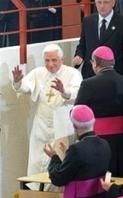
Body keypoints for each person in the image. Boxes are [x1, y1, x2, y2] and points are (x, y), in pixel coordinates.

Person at [12, 44, 82, 186]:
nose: (50, 64)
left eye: (54, 60)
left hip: (62, 127)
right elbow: (26, 87)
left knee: (60, 163)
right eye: (47, 60)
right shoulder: (38, 73)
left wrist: (64, 91)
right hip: (41, 127)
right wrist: (18, 81)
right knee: (37, 163)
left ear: (61, 59)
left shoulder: (72, 74)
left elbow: (77, 93)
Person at [75, 46, 123, 177]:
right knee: (119, 179)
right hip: (122, 142)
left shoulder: (88, 84)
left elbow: (78, 113)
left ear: (95, 63)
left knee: (99, 181)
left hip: (97, 141)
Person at [44, 105, 111, 198]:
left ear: (74, 126)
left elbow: (58, 178)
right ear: (94, 121)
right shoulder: (104, 144)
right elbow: (86, 163)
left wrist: (54, 157)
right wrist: (69, 154)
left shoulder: (76, 149)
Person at [73, 0, 123, 79]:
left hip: (115, 76)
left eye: (106, 2)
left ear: (113, 3)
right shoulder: (88, 21)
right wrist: (79, 55)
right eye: (99, 2)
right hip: (90, 75)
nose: (102, 6)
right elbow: (82, 45)